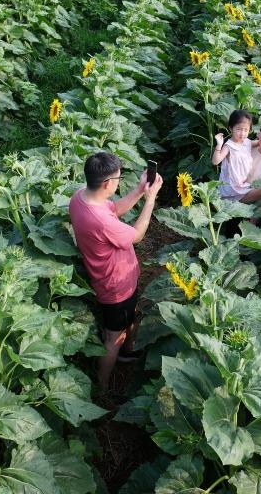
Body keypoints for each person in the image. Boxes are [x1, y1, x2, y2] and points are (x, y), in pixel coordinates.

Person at [68, 152, 163, 393]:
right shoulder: (101, 221)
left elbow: (113, 210)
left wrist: (141, 190)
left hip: (113, 280)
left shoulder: (80, 197)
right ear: (107, 184)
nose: (120, 182)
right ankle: (103, 387)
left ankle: (126, 352)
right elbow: (137, 235)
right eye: (119, 178)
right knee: (112, 339)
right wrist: (150, 200)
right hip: (115, 286)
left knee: (124, 323)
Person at [212, 110, 256, 201]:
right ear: (231, 128)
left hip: (244, 182)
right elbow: (215, 161)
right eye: (239, 129)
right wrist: (219, 145)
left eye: (246, 130)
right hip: (232, 187)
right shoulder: (229, 146)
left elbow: (258, 143)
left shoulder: (247, 142)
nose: (242, 133)